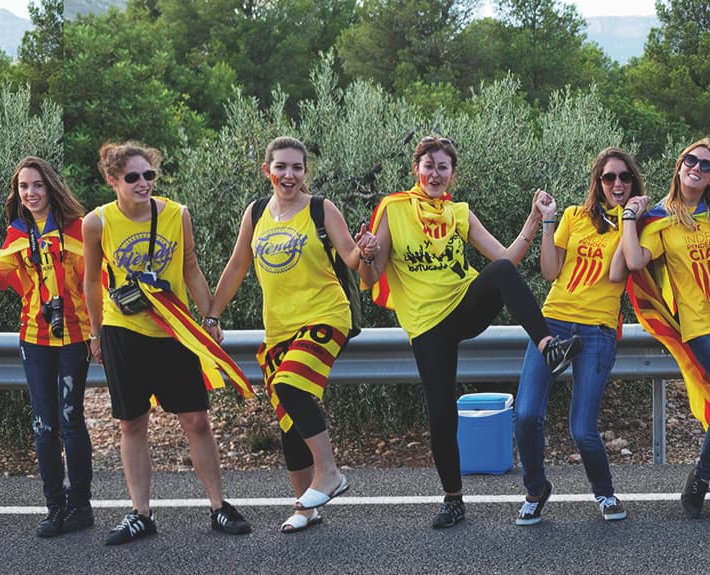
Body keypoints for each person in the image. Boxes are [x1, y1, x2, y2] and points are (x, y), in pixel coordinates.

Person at [360, 135, 582, 529]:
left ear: (452, 174)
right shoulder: (394, 209)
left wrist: (535, 217)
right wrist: (365, 254)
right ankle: (453, 499)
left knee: (499, 272)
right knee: (442, 413)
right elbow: (372, 275)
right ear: (417, 169)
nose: (434, 173)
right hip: (427, 324)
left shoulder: (458, 212)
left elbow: (507, 260)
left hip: (463, 305)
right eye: (428, 166)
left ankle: (548, 345)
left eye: (442, 167)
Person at [83, 141, 253, 544]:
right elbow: (91, 280)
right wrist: (95, 333)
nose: (143, 183)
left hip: (173, 330)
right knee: (132, 423)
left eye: (149, 176)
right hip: (123, 331)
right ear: (112, 181)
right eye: (132, 177)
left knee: (196, 420)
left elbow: (190, 265)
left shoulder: (176, 214)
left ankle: (218, 506)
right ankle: (140, 513)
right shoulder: (98, 222)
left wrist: (208, 314)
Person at [207, 136, 367, 533]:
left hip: (326, 316)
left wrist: (365, 249)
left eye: (297, 167)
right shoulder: (256, 212)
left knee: (291, 385)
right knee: (289, 418)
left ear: (305, 171)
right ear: (268, 171)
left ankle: (328, 474)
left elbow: (349, 256)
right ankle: (305, 507)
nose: (289, 175)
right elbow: (236, 266)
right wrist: (211, 315)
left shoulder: (320, 209)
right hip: (279, 328)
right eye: (281, 167)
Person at [0, 157, 94, 537]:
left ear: (51, 188)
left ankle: (81, 505)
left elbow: (97, 284)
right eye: (23, 187)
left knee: (70, 420)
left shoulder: (78, 230)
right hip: (34, 339)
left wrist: (99, 333)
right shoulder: (17, 233)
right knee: (44, 425)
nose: (30, 193)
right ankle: (54, 508)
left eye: (37, 185)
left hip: (76, 337)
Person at [615, 138, 710, 518]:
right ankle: (701, 477)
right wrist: (629, 217)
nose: (697, 168)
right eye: (691, 161)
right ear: (679, 167)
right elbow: (633, 260)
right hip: (700, 323)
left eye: (706, 165)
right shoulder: (661, 218)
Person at [512, 148, 647, 525]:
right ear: (598, 183)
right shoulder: (574, 216)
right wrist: (549, 220)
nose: (617, 184)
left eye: (624, 177)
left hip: (597, 330)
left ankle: (604, 493)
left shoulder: (636, 224)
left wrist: (629, 219)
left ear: (633, 182)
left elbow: (620, 275)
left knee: (582, 429)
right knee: (525, 416)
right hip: (552, 324)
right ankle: (536, 490)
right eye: (609, 178)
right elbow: (551, 271)